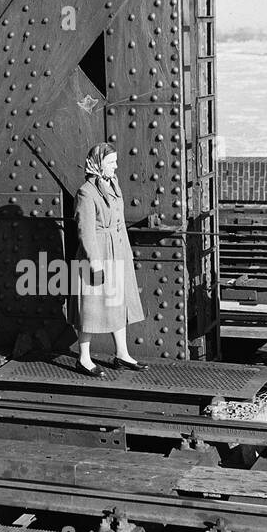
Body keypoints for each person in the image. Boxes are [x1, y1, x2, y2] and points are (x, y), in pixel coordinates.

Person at [73, 142, 146, 377]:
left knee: (118, 303)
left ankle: (122, 354)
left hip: (117, 251)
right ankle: (83, 358)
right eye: (111, 162)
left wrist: (126, 251)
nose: (116, 166)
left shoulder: (113, 184)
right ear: (98, 164)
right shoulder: (86, 192)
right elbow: (85, 231)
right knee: (90, 308)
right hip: (98, 254)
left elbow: (119, 221)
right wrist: (94, 263)